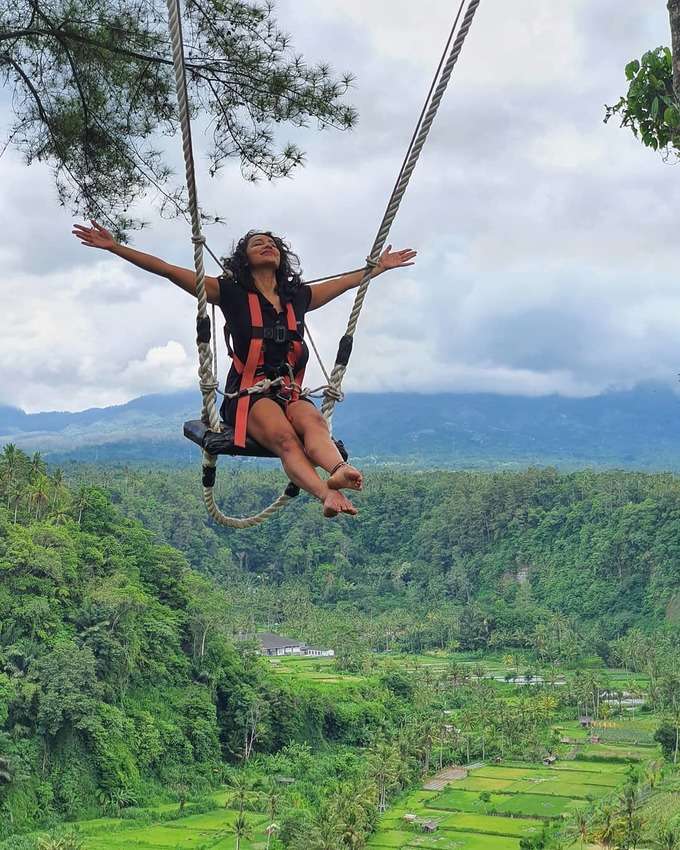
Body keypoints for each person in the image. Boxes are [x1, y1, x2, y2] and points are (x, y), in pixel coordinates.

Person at [72, 221, 416, 518]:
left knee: (313, 422)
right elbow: (166, 269)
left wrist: (379, 268)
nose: (267, 246)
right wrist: (115, 247)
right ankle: (326, 493)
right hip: (249, 396)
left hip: (289, 391)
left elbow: (346, 282)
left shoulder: (298, 297)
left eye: (272, 244)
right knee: (284, 437)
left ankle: (338, 470)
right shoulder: (229, 292)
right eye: (258, 243)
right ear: (245, 258)